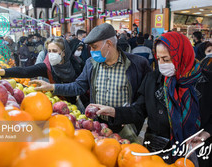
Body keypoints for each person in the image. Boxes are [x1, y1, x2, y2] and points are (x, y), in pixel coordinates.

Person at [90, 32, 212, 165]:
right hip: (159, 151)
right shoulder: (153, 80)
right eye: (158, 59)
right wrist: (113, 111)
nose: (162, 64)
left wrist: (206, 133)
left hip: (199, 152)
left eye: (166, 59)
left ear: (183, 56)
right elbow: (139, 110)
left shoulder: (207, 82)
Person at [28, 23, 152, 134]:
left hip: (126, 126)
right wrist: (51, 87)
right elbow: (78, 86)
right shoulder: (91, 63)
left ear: (108, 44)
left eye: (94, 47)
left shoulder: (138, 65)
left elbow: (143, 102)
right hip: (98, 125)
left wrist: (124, 115)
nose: (91, 51)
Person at [0, 37, 81, 104]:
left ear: (63, 53)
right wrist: (1, 71)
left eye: (54, 51)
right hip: (60, 103)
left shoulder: (77, 65)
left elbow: (82, 85)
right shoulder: (47, 67)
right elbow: (24, 71)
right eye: (49, 51)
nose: (51, 54)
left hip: (78, 102)